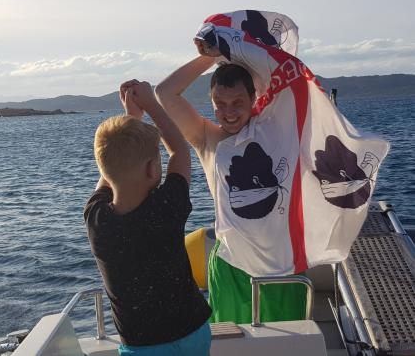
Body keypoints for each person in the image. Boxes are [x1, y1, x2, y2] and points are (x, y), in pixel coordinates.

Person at [154, 40, 306, 324]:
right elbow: (164, 93)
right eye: (220, 104)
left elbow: (294, 83)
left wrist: (244, 49)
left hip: (283, 267)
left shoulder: (276, 131)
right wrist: (211, 57)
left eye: (238, 102)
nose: (230, 112)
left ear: (254, 98)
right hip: (231, 267)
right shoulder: (206, 138)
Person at [84, 79, 212, 356]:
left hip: (140, 347)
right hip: (192, 334)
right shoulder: (167, 208)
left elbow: (109, 176)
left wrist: (133, 120)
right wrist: (150, 105)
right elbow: (179, 150)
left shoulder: (96, 221)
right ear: (154, 170)